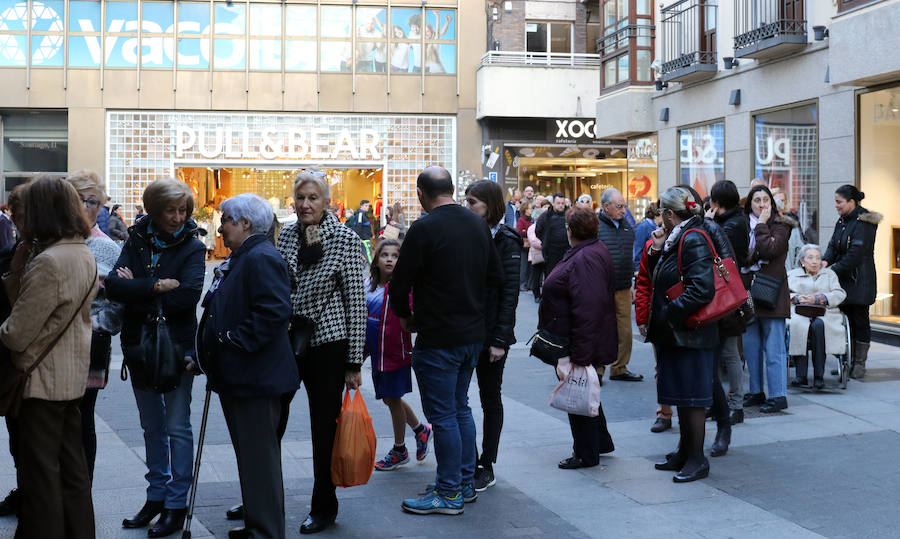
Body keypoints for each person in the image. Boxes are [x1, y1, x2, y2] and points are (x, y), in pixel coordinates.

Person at [391, 166, 502, 515]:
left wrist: (406, 318)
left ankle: (450, 491)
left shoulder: (424, 228)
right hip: (471, 335)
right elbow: (495, 279)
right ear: (452, 190)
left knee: (444, 416)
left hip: (439, 337)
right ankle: (464, 482)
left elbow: (399, 283)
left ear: (422, 193)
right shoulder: (477, 224)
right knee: (460, 408)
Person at [106, 178, 206, 537]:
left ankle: (176, 503)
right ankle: (156, 496)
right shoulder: (137, 239)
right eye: (170, 210)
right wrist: (157, 285)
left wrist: (138, 288)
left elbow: (188, 296)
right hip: (140, 346)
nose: (178, 217)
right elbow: (113, 285)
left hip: (177, 349)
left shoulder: (193, 247)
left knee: (177, 427)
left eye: (183, 210)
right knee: (152, 427)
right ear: (153, 209)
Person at [0, 176, 98, 538]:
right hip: (71, 379)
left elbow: (16, 333)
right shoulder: (81, 251)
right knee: (73, 474)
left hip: (39, 384)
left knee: (39, 479)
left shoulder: (49, 261)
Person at [197, 193, 300, 539]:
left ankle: (266, 531)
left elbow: (273, 312)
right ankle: (258, 523)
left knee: (259, 461)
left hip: (256, 378)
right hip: (243, 376)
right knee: (252, 460)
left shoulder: (261, 257)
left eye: (226, 220)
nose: (221, 227)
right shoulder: (247, 255)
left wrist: (230, 340)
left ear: (245, 224)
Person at [276, 168, 367, 534]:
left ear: (328, 202)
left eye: (313, 198)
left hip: (328, 344)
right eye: (300, 197)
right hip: (285, 340)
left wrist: (354, 361)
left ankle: (323, 507)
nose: (305, 204)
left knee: (323, 430)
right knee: (271, 421)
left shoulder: (344, 239)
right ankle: (263, 494)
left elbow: (356, 302)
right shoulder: (285, 236)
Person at [646, 186, 717, 483]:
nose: (659, 218)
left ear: (671, 214)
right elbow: (660, 276)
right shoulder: (678, 237)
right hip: (680, 333)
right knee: (683, 396)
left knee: (692, 399)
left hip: (690, 332)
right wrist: (657, 248)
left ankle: (697, 459)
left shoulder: (692, 238)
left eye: (662, 212)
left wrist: (670, 313)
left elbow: (702, 289)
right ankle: (685, 452)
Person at [538, 206, 616, 468]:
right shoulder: (589, 251)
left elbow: (587, 308)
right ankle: (600, 440)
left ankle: (585, 452)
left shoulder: (586, 257)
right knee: (585, 388)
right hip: (577, 337)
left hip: (576, 340)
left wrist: (580, 355)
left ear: (570, 230)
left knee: (577, 391)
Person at [464, 180, 521, 492]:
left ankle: (486, 463)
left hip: (491, 336)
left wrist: (499, 340)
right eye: (466, 201)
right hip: (465, 330)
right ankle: (468, 460)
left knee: (489, 397)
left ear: (490, 205)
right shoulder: (466, 233)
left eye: (473, 202)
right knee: (460, 399)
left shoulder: (508, 241)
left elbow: (509, 296)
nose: (468, 207)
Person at [66, 170, 123, 481]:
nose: (86, 207)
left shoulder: (107, 248)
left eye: (94, 202)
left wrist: (92, 325)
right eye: (80, 199)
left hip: (88, 345)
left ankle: (80, 492)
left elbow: (117, 309)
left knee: (81, 416)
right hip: (52, 347)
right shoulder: (50, 239)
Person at [365, 240, 433, 472]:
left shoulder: (404, 288)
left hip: (395, 353)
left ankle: (399, 449)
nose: (390, 259)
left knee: (392, 398)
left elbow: (412, 317)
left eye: (395, 255)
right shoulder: (368, 285)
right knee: (389, 398)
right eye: (385, 254)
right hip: (377, 354)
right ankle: (420, 430)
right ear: (376, 259)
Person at [741, 185, 795, 414]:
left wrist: (762, 225)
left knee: (774, 349)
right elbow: (741, 255)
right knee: (751, 347)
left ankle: (777, 394)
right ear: (749, 204)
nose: (762, 204)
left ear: (772, 203)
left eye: (766, 200)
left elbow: (770, 250)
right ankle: (755, 391)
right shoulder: (743, 226)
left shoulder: (782, 225)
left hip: (771, 293)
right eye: (757, 200)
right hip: (749, 293)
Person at [823, 185, 881, 379]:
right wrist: (824, 262)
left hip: (860, 280)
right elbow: (833, 245)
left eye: (839, 202)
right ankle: (846, 361)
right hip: (843, 280)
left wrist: (832, 269)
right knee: (844, 320)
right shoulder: (843, 220)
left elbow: (856, 254)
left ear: (851, 202)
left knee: (860, 320)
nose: (836, 206)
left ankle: (859, 363)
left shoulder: (864, 222)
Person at [706, 181, 750, 425]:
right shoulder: (733, 220)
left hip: (727, 294)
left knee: (730, 353)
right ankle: (720, 403)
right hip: (727, 292)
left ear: (717, 203)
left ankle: (736, 404)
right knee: (720, 352)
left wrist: (709, 224)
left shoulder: (729, 225)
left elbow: (718, 255)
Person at [0, 186, 27, 518]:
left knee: (31, 440)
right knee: (18, 435)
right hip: (13, 362)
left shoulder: (46, 257)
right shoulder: (16, 250)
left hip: (27, 362)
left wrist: (13, 274)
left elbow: (17, 325)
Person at [595, 188, 641, 382]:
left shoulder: (627, 226)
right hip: (601, 287)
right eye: (619, 206)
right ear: (606, 207)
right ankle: (597, 369)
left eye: (624, 206)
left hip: (622, 284)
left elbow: (628, 257)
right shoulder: (594, 226)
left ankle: (620, 367)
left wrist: (631, 282)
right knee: (601, 328)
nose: (623, 210)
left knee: (624, 329)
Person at [787, 245, 847, 390]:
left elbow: (840, 294)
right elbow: (784, 294)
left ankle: (819, 376)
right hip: (799, 312)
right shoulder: (792, 274)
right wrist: (798, 298)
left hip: (825, 312)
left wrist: (819, 298)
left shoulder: (829, 274)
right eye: (810, 257)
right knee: (799, 326)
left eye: (818, 258)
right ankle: (800, 375)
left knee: (819, 325)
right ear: (802, 260)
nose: (815, 261)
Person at [535, 193, 569, 276]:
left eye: (562, 203)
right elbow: (538, 230)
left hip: (567, 251)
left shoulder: (569, 215)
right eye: (558, 203)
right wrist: (545, 241)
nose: (561, 205)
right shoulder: (545, 216)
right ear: (553, 203)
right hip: (551, 253)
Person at [633, 203, 661, 272]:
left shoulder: (657, 227)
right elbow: (637, 249)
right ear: (657, 215)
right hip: (644, 268)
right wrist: (637, 270)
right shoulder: (643, 227)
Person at [516, 201, 533, 291]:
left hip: (531, 246)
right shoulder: (521, 220)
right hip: (524, 247)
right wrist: (525, 233)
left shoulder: (532, 219)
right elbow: (518, 232)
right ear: (526, 210)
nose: (532, 210)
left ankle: (529, 284)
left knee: (530, 266)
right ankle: (522, 284)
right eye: (530, 208)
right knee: (524, 266)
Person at [527, 214, 545, 303]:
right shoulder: (532, 228)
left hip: (546, 255)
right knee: (536, 276)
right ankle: (537, 295)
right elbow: (533, 241)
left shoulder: (546, 226)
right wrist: (545, 245)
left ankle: (544, 295)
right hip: (536, 256)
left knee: (547, 276)